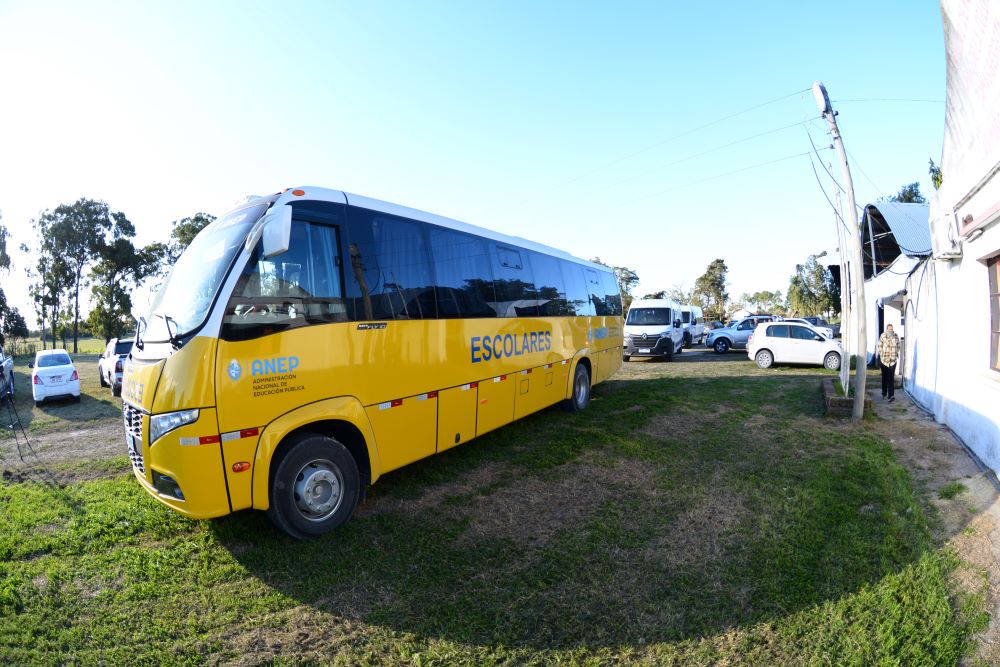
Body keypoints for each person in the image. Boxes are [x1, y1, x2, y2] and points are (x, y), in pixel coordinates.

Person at [877, 324, 900, 402]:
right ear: (886, 329)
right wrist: (882, 354)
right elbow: (879, 346)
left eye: (891, 329)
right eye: (889, 329)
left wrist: (895, 353)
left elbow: (898, 346)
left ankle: (891, 395)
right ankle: (884, 393)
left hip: (893, 361)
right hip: (884, 361)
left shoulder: (896, 336)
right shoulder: (883, 336)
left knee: (891, 378)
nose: (890, 330)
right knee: (885, 377)